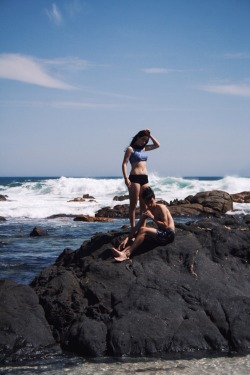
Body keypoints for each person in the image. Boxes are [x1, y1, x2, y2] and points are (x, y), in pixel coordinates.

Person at [112, 187, 175, 262]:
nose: (150, 204)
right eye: (147, 203)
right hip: (160, 233)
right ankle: (123, 252)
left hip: (168, 235)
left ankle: (127, 254)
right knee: (138, 234)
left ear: (154, 198)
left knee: (143, 230)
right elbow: (137, 227)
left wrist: (152, 217)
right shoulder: (147, 210)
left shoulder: (161, 208)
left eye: (151, 201)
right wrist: (128, 238)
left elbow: (165, 226)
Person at [122, 129, 160, 231]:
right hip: (134, 178)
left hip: (144, 178)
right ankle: (133, 228)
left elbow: (157, 145)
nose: (144, 142)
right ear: (138, 137)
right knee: (133, 205)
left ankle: (143, 227)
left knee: (144, 205)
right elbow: (124, 164)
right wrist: (126, 178)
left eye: (146, 141)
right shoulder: (131, 149)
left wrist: (150, 135)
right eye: (143, 139)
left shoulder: (144, 148)